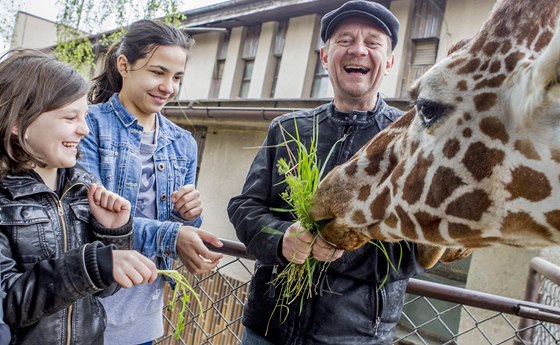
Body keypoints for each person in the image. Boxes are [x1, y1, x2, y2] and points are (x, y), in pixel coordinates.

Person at [227, 1, 425, 344]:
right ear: (324, 56)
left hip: (355, 335)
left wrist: (335, 247)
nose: (358, 50)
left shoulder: (411, 141)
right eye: (344, 40)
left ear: (390, 61)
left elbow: (417, 247)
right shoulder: (287, 129)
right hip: (268, 328)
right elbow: (244, 206)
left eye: (373, 43)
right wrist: (283, 239)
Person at [79, 19, 224, 344]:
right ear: (124, 65)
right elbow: (86, 218)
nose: (168, 87)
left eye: (176, 77)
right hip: (87, 312)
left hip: (143, 318)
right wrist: (175, 234)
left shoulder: (183, 142)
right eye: (158, 72)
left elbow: (173, 227)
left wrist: (188, 216)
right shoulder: (88, 125)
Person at [0, 50, 158, 344]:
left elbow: (103, 289)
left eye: (84, 116)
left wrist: (112, 233)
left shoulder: (81, 189)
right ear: (18, 123)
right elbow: (9, 303)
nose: (84, 129)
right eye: (70, 117)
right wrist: (92, 263)